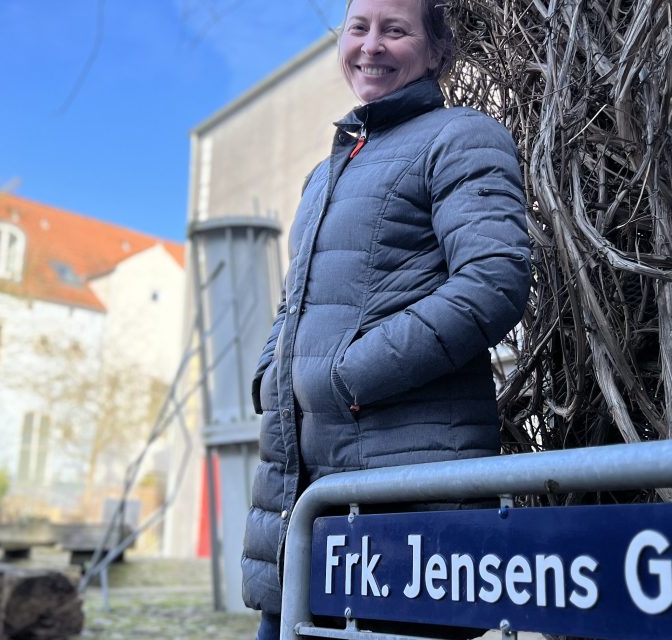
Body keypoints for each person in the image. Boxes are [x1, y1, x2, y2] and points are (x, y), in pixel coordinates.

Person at [243, 0, 530, 637]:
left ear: (434, 52)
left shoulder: (462, 136)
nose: (371, 45)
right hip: (298, 498)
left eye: (395, 30)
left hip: (403, 509)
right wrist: (272, 376)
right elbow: (295, 306)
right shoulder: (325, 174)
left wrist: (345, 378)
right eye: (358, 28)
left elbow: (493, 282)